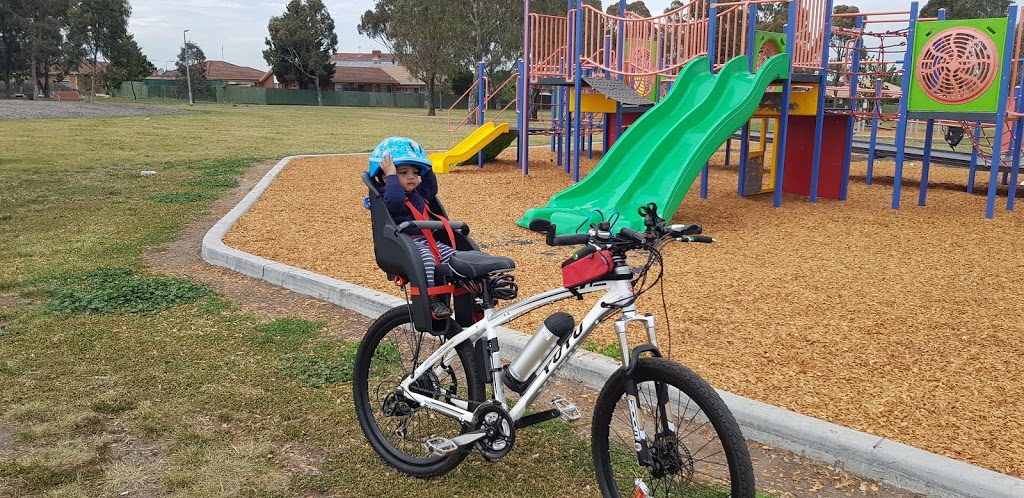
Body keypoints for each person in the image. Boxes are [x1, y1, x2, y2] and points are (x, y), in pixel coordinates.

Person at [369, 136, 455, 319]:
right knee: (427, 261)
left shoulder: (418, 193)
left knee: (455, 257)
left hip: (429, 242)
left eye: (415, 172)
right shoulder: (389, 195)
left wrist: (427, 168)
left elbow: (431, 191)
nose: (411, 177)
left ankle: (475, 289)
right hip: (408, 245)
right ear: (386, 177)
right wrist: (391, 176)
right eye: (403, 172)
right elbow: (396, 202)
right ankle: (432, 300)